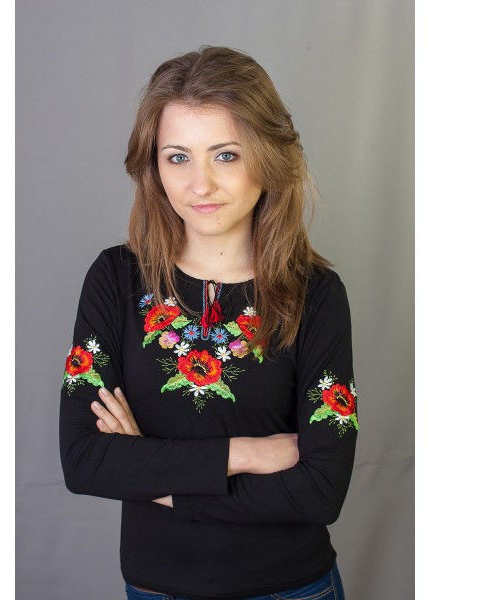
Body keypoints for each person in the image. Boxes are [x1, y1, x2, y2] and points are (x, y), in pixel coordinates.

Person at [59, 45, 358, 600]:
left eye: (225, 155)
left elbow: (320, 490)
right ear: (153, 166)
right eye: (178, 157)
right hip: (156, 588)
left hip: (291, 589)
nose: (201, 185)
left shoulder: (316, 294)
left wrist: (156, 477)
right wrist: (247, 453)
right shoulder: (115, 280)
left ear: (268, 158)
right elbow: (85, 461)